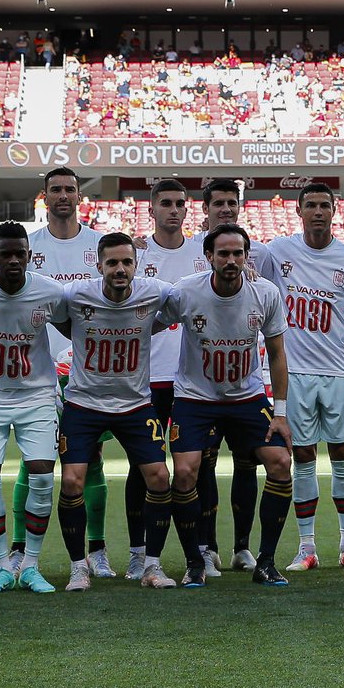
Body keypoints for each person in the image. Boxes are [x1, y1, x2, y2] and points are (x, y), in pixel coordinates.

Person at [166, 224, 293, 587]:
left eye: (238, 253)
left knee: (281, 462)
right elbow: (150, 326)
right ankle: (195, 561)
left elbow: (278, 353)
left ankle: (265, 561)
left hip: (247, 397)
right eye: (223, 253)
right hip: (195, 398)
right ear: (209, 257)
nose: (232, 260)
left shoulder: (265, 293)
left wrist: (280, 412)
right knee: (187, 471)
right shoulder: (185, 292)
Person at [57, 232, 185, 590]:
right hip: (84, 403)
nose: (120, 269)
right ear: (98, 266)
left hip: (134, 404)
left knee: (159, 477)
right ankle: (78, 566)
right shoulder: (76, 295)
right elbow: (54, 315)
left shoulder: (154, 292)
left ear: (136, 264)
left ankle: (152, 566)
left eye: (126, 262)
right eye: (112, 262)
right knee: (71, 482)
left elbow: (187, 299)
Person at [0, 222, 70, 594]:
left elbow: (74, 324)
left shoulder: (50, 292)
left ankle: (31, 565)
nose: (14, 260)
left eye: (21, 253)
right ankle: (2, 566)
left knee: (40, 477)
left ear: (30, 256)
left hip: (35, 396)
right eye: (6, 254)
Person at [262, 185, 344, 571]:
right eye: (311, 205)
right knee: (303, 456)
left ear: (335, 211)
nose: (319, 211)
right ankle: (306, 547)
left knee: (343, 454)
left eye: (325, 205)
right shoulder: (277, 252)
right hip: (294, 373)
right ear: (298, 210)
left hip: (339, 371)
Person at [25, 167, 110, 578]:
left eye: (69, 190)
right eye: (55, 189)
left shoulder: (99, 245)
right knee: (33, 460)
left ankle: (97, 550)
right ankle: (20, 554)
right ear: (44, 196)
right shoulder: (29, 247)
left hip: (89, 372)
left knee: (90, 460)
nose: (63, 195)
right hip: (38, 370)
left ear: (80, 197)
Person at [133, 179, 212, 576]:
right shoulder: (136, 254)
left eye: (180, 203)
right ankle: (138, 551)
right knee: (143, 467)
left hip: (191, 382)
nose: (174, 210)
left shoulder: (204, 252)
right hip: (146, 378)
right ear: (152, 210)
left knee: (196, 468)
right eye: (165, 203)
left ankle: (201, 549)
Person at [196, 178, 263, 571]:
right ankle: (208, 545)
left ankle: (242, 546)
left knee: (247, 462)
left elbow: (269, 309)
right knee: (199, 465)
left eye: (231, 202)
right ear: (204, 208)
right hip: (197, 382)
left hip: (243, 383)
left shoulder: (260, 255)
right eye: (218, 202)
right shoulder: (194, 252)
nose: (225, 208)